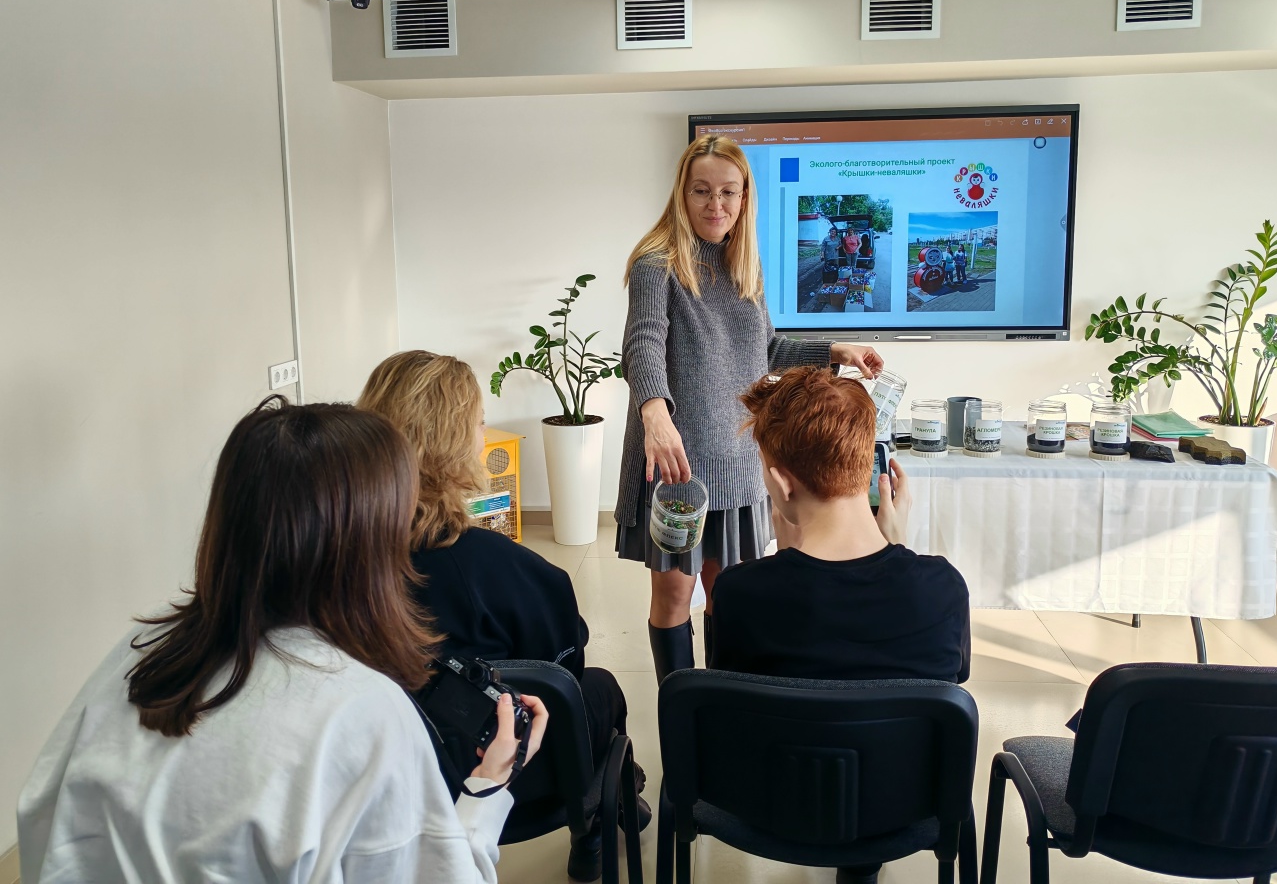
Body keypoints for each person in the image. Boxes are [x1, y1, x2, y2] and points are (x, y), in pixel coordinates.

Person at [17, 398, 548, 883]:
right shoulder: (361, 710)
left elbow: (46, 823)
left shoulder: (143, 648)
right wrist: (486, 790)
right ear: (371, 542)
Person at [358, 350, 642, 882]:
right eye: (479, 421)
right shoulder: (498, 566)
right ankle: (591, 829)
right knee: (601, 689)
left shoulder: (339, 564)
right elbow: (564, 670)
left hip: (385, 780)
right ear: (455, 441)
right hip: (505, 771)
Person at [615, 134, 884, 682]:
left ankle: (723, 706)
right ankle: (679, 713)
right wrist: (655, 413)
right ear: (682, 194)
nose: (716, 205)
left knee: (729, 597)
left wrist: (835, 351)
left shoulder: (746, 267)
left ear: (744, 199)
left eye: (728, 193)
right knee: (674, 595)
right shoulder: (656, 262)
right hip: (679, 467)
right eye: (702, 191)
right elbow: (641, 344)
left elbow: (766, 352)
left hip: (739, 464)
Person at [710, 366, 971, 684]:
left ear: (781, 483)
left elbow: (729, 701)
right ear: (866, 462)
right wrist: (897, 551)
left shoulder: (739, 593)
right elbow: (943, 687)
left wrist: (783, 564)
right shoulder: (943, 588)